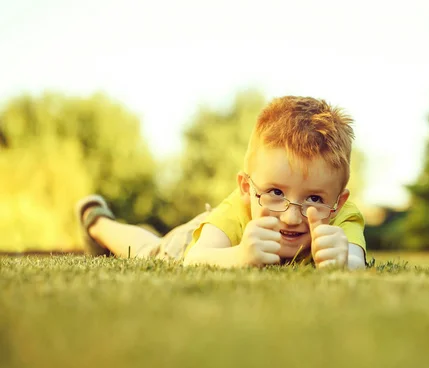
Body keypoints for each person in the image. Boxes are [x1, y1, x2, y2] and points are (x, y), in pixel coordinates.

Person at [76, 96, 366, 269]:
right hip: (198, 241)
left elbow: (356, 262)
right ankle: (96, 221)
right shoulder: (234, 211)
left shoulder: (344, 217)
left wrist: (343, 258)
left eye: (314, 199)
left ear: (337, 202)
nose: (291, 217)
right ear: (245, 188)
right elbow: (195, 260)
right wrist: (240, 255)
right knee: (148, 251)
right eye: (275, 192)